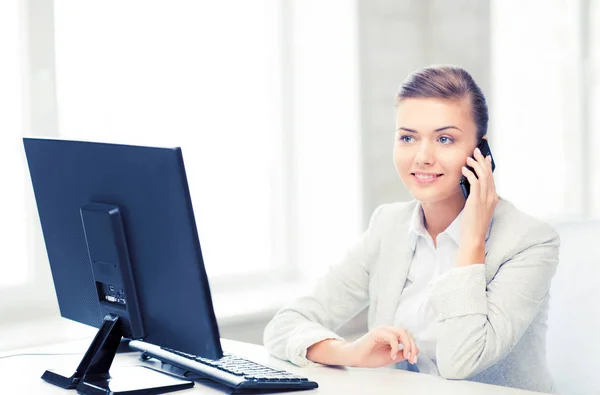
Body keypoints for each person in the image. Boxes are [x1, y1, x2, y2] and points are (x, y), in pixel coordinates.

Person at [263, 65, 560, 393]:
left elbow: (461, 362)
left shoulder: (529, 241)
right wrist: (350, 353)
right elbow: (284, 325)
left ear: (481, 153)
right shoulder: (388, 226)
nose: (422, 157)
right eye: (408, 137)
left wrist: (472, 240)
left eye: (444, 139)